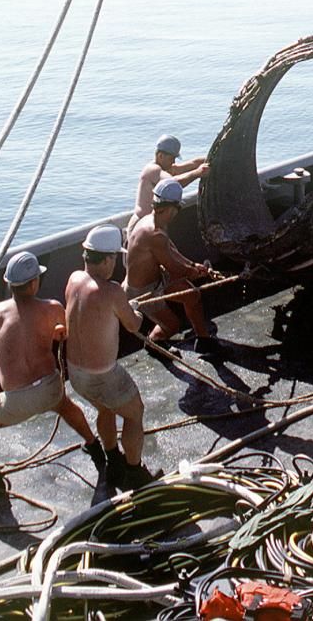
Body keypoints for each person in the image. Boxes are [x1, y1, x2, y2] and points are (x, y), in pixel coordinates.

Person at [0, 250, 103, 499]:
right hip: (50, 388)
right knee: (65, 406)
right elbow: (65, 332)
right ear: (35, 282)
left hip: (16, 403)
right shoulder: (53, 308)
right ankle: (94, 445)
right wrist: (58, 331)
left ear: (10, 284)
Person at [65, 225, 156, 491]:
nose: (115, 263)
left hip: (76, 375)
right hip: (104, 375)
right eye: (114, 258)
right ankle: (134, 471)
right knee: (134, 412)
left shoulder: (73, 280)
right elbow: (133, 326)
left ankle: (112, 456)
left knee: (105, 408)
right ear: (106, 259)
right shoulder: (112, 291)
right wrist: (135, 310)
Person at [124, 179, 217, 348]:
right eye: (178, 208)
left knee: (192, 296)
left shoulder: (154, 222)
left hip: (157, 277)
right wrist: (193, 271)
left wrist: (192, 264)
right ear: (172, 208)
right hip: (144, 290)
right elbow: (175, 269)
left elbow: (170, 251)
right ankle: (154, 343)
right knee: (172, 325)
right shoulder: (154, 234)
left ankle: (204, 340)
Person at [128, 133, 209, 232]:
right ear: (160, 156)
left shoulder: (166, 168)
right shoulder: (152, 169)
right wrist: (198, 173)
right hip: (141, 225)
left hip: (152, 223)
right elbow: (172, 184)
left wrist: (209, 159)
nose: (174, 162)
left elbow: (192, 164)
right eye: (171, 158)